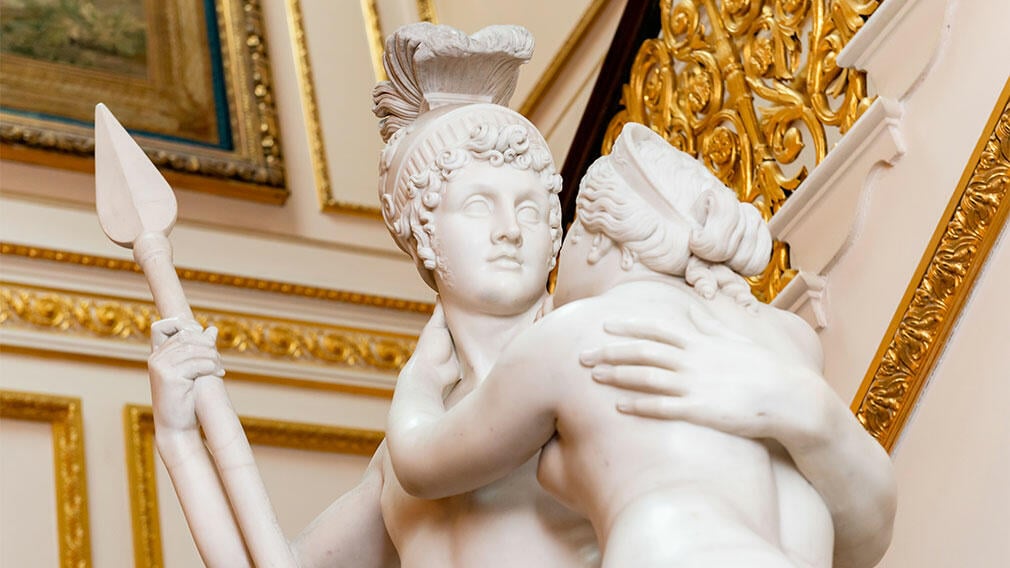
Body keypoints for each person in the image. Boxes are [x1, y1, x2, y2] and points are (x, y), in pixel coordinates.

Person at [146, 23, 895, 568]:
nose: (512, 230)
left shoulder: (609, 362)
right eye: (480, 206)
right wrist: (181, 439)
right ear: (425, 237)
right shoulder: (402, 463)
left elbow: (801, 517)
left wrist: (808, 409)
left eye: (535, 209)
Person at [384, 122, 897, 567]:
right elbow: (865, 540)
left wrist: (420, 383)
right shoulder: (785, 338)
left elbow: (419, 464)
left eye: (575, 234)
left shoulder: (573, 337)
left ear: (612, 245)